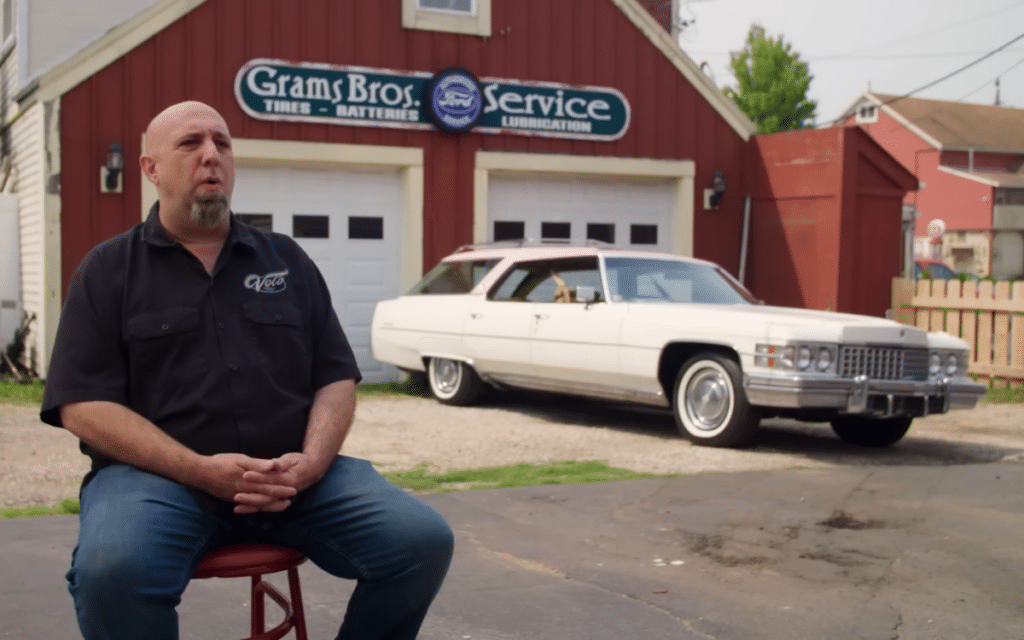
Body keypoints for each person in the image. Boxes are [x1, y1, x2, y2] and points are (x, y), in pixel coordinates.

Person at [40, 100, 454, 640]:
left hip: (293, 479)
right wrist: (199, 469)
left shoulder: (285, 259)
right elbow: (83, 406)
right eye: (191, 144)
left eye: (223, 143)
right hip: (159, 483)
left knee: (421, 542)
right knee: (113, 572)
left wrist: (310, 463)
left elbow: (335, 376)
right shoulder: (109, 270)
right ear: (150, 168)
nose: (211, 155)